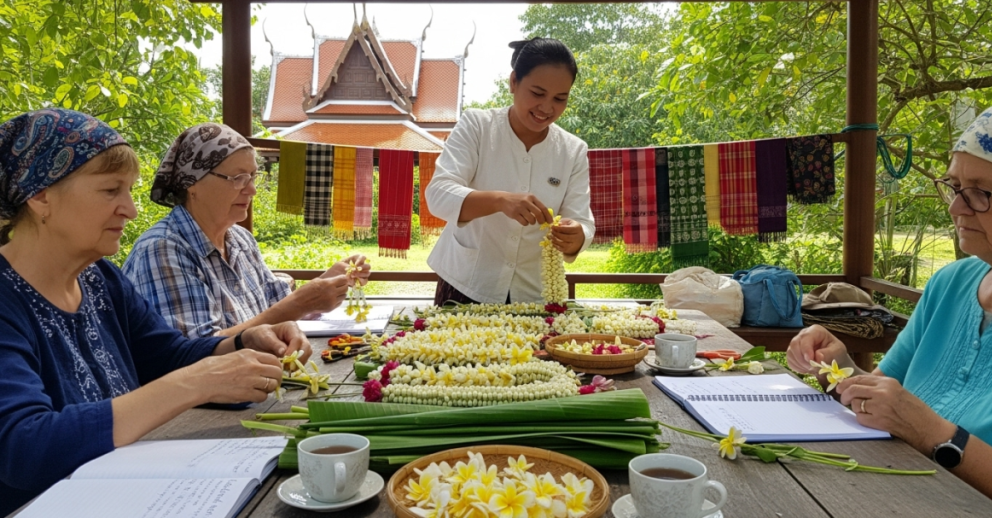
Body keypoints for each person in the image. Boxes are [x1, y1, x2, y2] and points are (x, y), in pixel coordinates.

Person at [0, 110, 308, 515]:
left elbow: (165, 356)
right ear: (40, 196)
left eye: (128, 191)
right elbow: (23, 446)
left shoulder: (100, 280)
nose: (129, 208)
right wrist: (193, 384)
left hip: (133, 493)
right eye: (111, 190)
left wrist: (240, 342)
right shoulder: (8, 300)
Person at [786, 99, 992, 515]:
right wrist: (838, 367)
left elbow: (916, 423)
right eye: (953, 187)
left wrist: (936, 434)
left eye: (981, 193)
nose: (955, 208)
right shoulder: (951, 284)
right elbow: (882, 399)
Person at [122, 123, 371, 339]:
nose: (251, 190)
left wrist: (329, 281)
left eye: (253, 176)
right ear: (192, 184)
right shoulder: (162, 251)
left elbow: (274, 304)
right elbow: (193, 354)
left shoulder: (239, 238)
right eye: (238, 178)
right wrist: (297, 305)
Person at [425, 37, 595, 305]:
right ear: (514, 82)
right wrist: (501, 200)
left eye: (560, 98)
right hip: (467, 284)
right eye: (537, 93)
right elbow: (438, 194)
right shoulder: (477, 126)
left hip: (533, 293)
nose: (548, 108)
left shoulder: (572, 150)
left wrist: (576, 236)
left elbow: (582, 221)